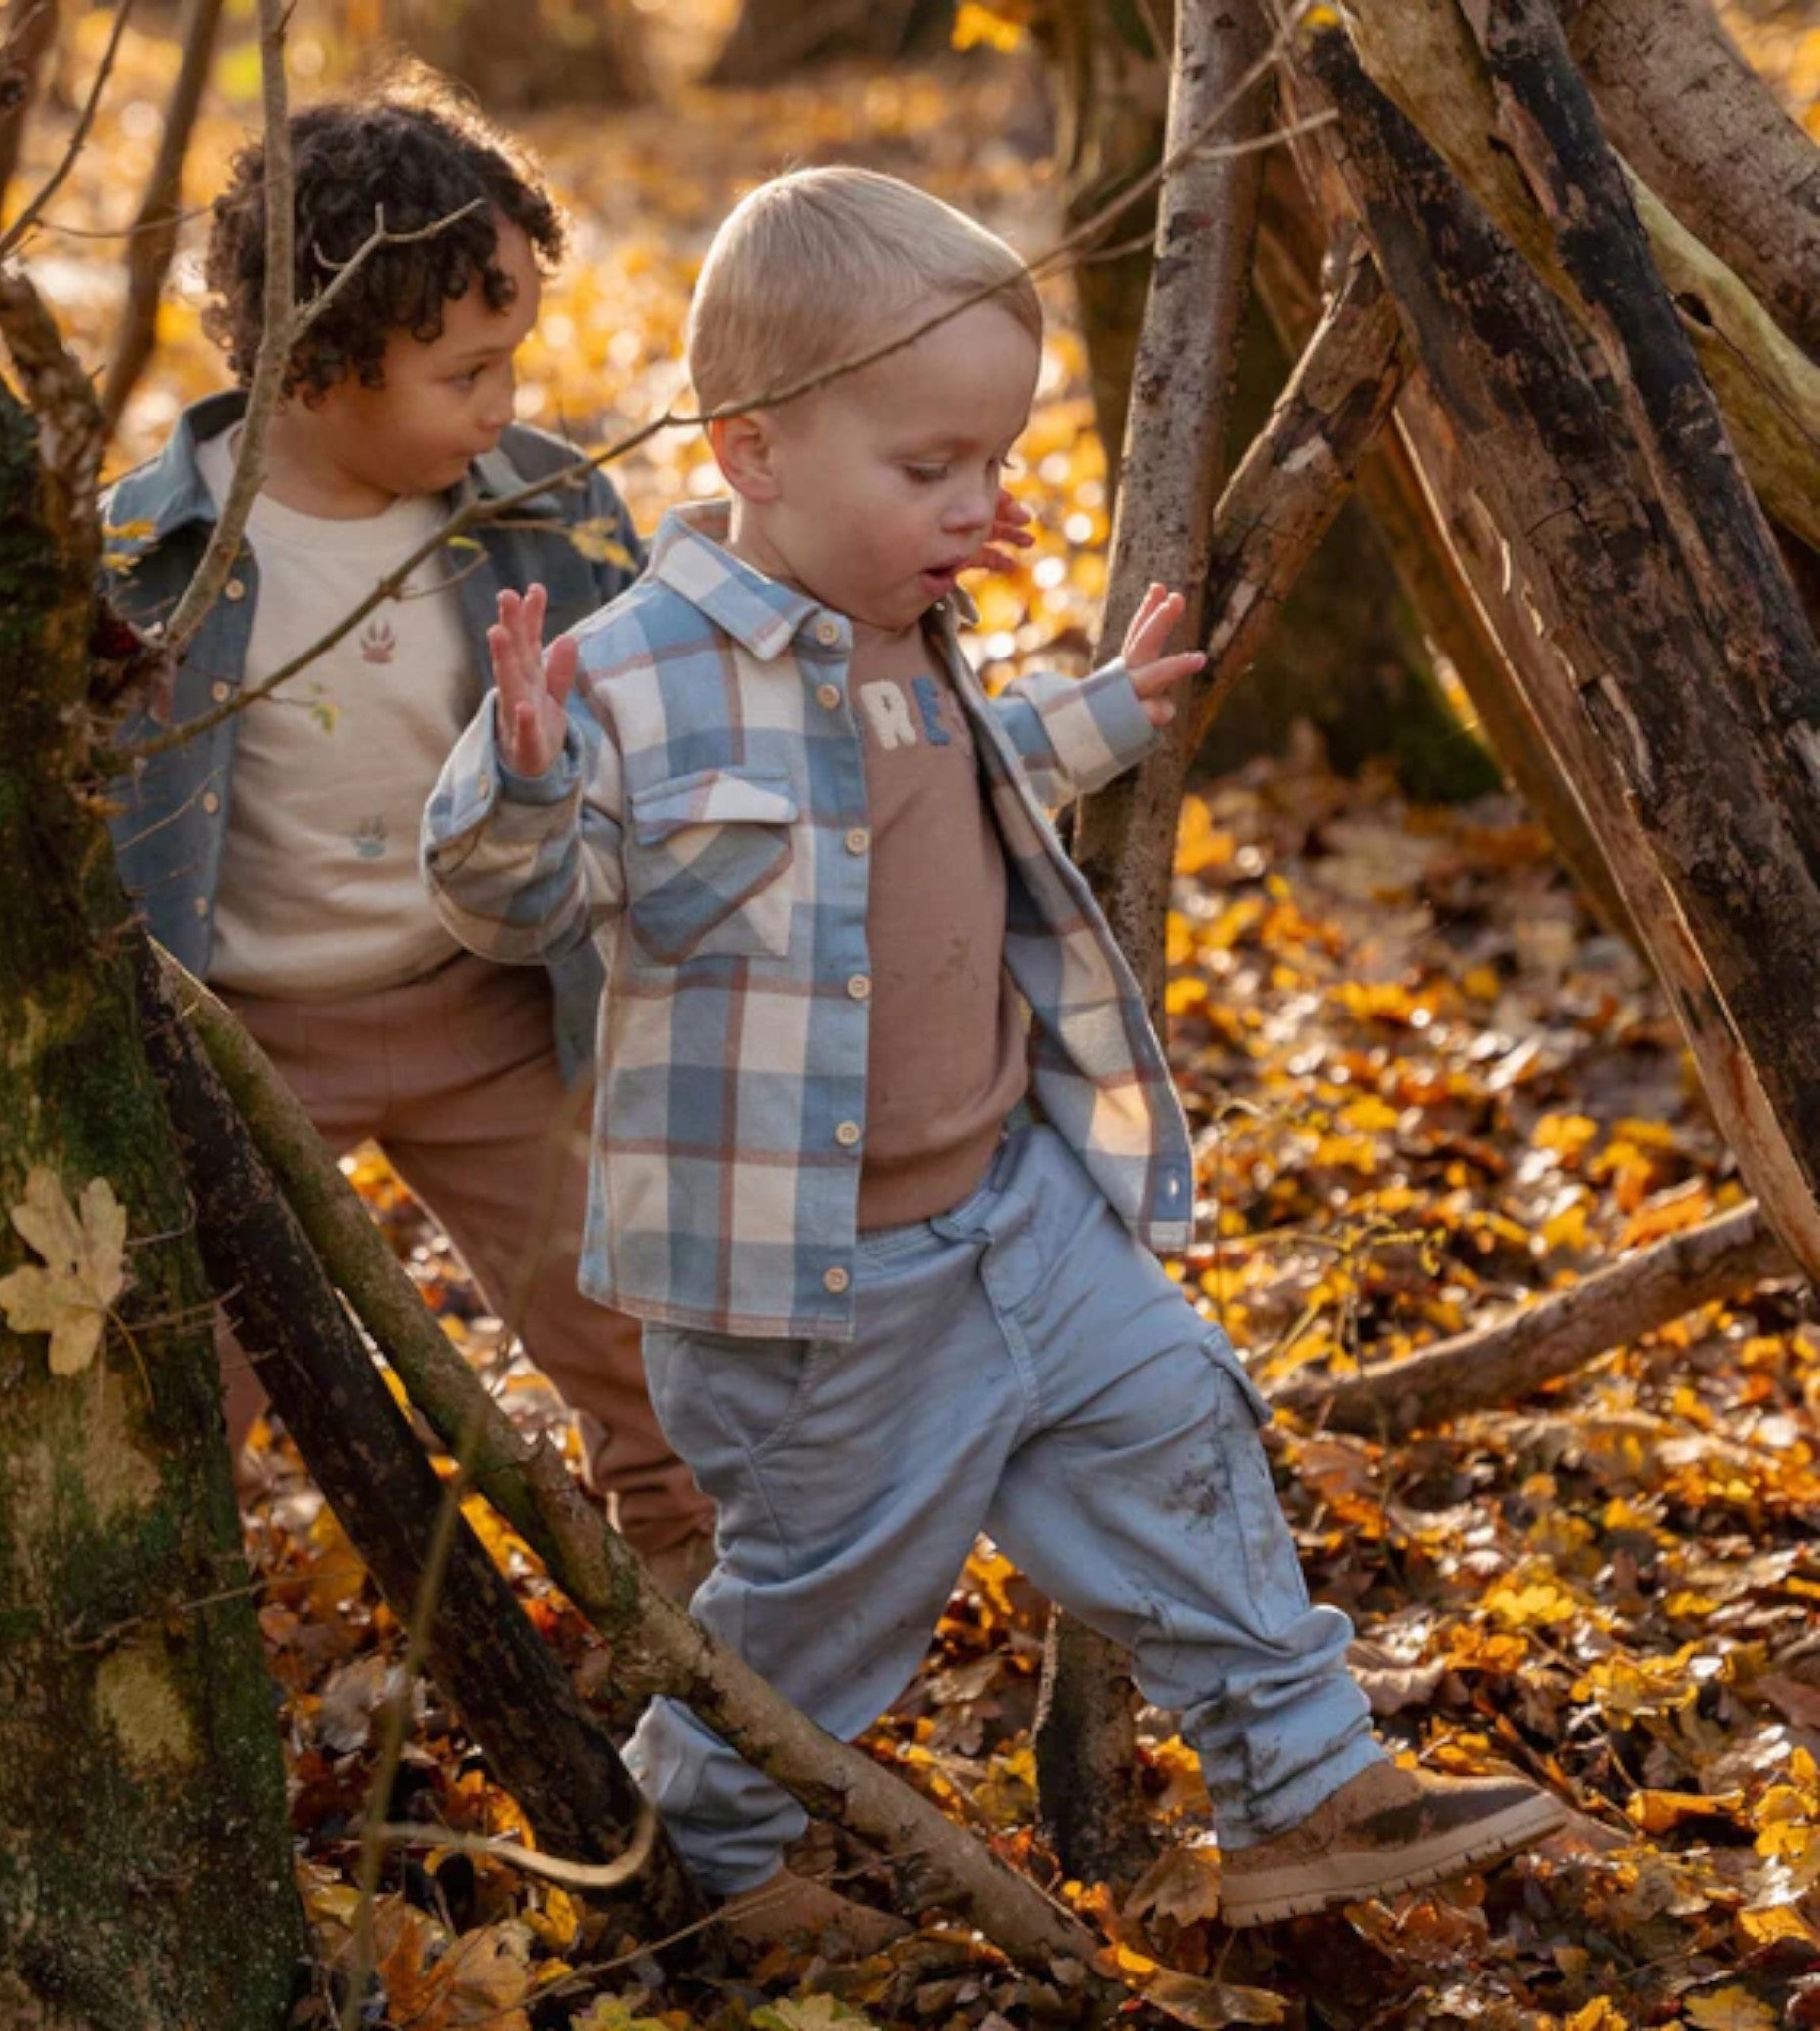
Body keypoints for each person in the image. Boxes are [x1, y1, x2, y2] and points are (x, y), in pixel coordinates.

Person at [421, 166, 1566, 1938]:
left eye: (994, 464)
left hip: (1014, 1206)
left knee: (1182, 1426)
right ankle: (697, 1867)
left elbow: (963, 784)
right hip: (815, 1291)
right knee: (828, 1603)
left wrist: (1105, 711)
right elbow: (517, 905)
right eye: (930, 469)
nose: (980, 506)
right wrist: (516, 771)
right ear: (753, 449)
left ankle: (1305, 1784)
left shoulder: (912, 634)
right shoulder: (627, 680)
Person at [102, 75, 716, 1596]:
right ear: (320, 356)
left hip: (498, 1012)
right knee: (172, 1392)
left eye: (513, 362)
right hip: (243, 1042)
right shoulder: (140, 560)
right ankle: (171, 1665)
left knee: (651, 1356)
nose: (506, 406)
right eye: (466, 373)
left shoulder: (550, 518)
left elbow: (653, 723)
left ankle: (718, 1658)